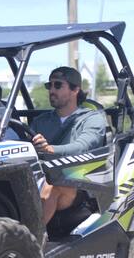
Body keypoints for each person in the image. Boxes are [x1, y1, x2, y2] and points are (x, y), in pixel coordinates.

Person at [31, 66, 106, 224]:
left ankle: (30, 240)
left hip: (79, 182)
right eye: (49, 85)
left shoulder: (92, 119)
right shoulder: (41, 121)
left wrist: (50, 149)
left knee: (53, 185)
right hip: (39, 177)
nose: (52, 90)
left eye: (58, 85)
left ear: (75, 90)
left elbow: (83, 147)